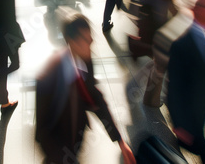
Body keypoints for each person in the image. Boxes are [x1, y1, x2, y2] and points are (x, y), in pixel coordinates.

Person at [35, 13, 136, 164]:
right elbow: (42, 131)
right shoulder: (48, 77)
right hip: (58, 150)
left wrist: (119, 141)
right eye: (86, 39)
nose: (91, 43)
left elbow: (95, 97)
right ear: (72, 41)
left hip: (76, 138)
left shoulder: (85, 60)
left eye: (91, 38)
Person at [167, 0, 205, 164]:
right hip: (189, 115)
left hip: (199, 111)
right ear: (195, 9)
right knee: (203, 151)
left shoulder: (203, 33)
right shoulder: (182, 43)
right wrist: (179, 124)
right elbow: (173, 87)